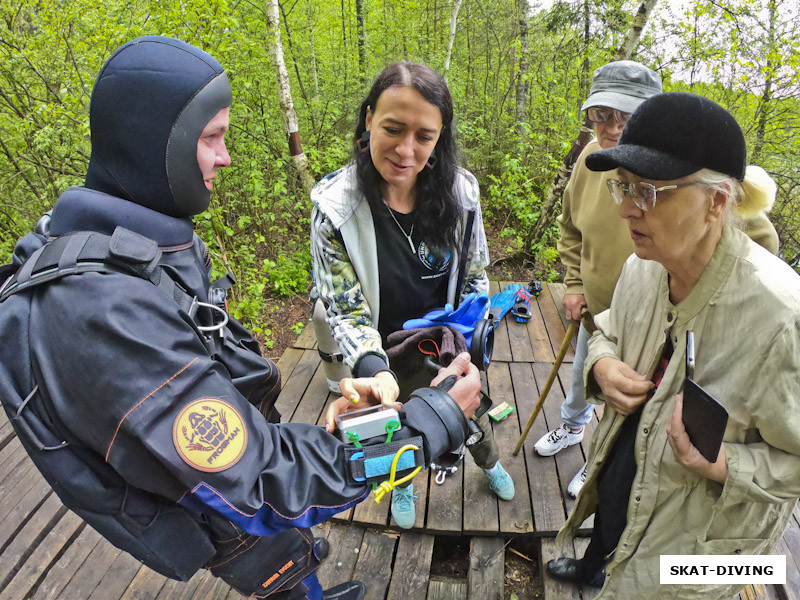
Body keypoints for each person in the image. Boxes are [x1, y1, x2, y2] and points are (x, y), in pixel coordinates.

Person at [0, 37, 483, 600]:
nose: (225, 157)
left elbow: (210, 376)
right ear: (154, 141)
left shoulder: (132, 245)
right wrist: (429, 423)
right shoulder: (98, 314)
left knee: (279, 558)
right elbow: (258, 481)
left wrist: (293, 429)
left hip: (224, 483)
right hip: (221, 509)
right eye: (211, 138)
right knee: (262, 548)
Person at [545, 92, 800, 599]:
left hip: (702, 550)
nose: (624, 209)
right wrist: (602, 364)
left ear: (718, 202)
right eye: (623, 187)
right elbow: (611, 331)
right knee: (612, 521)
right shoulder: (643, 265)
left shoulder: (782, 320)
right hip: (629, 462)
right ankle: (594, 563)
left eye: (648, 192)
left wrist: (721, 465)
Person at [533, 61, 778, 499]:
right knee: (587, 382)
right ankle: (574, 430)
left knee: (640, 421)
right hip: (601, 319)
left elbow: (756, 247)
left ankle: (597, 466)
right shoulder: (591, 163)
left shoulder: (692, 178)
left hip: (661, 332)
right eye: (601, 113)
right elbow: (569, 227)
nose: (611, 126)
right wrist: (573, 284)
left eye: (625, 115)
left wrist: (721, 305)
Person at [310, 62, 515, 530]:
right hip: (385, 351)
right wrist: (372, 369)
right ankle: (403, 486)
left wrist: (466, 343)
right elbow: (343, 305)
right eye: (393, 128)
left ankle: (489, 462)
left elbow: (476, 275)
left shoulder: (461, 193)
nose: (406, 150)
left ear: (440, 137)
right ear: (367, 120)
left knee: (469, 415)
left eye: (424, 136)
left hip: (447, 342)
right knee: (395, 425)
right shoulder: (335, 209)